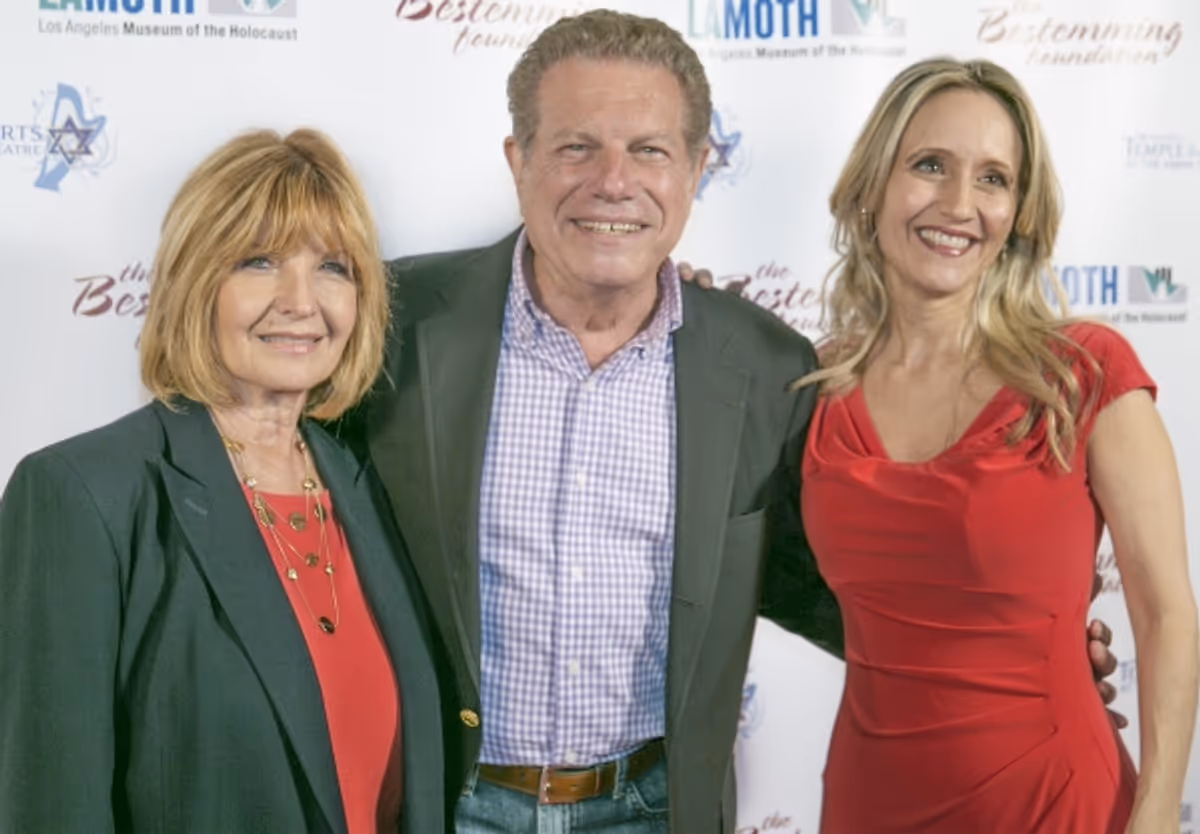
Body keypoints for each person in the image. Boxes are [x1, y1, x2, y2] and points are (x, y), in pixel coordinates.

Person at [353, 12, 1123, 833]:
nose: (613, 181)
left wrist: (1012, 651)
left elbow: (839, 580)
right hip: (446, 804)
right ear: (519, 161)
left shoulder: (765, 368)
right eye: (577, 146)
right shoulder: (392, 326)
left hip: (657, 808)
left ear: (695, 170)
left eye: (649, 150)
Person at [0, 129, 446, 833]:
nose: (301, 301)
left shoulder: (365, 484)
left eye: (333, 268)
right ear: (192, 281)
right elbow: (52, 805)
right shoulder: (82, 493)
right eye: (258, 262)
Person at [800, 57, 1199, 834]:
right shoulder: (817, 389)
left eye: (993, 179)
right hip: (867, 801)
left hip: (1055, 804)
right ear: (872, 185)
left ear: (1020, 210)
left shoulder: (1083, 373)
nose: (958, 204)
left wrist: (1155, 817)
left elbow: (1165, 616)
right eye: (929, 166)